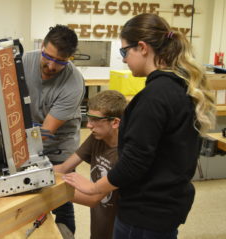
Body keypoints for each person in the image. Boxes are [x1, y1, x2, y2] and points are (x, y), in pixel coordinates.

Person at [63, 13, 216, 239]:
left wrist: (94, 187)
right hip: (165, 208)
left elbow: (134, 162)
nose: (124, 59)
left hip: (145, 213)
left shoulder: (154, 96)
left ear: (142, 48)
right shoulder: (177, 87)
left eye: (125, 51)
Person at [22, 24, 85, 234]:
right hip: (29, 134)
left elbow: (46, 133)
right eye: (47, 56)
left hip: (58, 145)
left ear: (69, 58)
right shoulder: (24, 61)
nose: (50, 65)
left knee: (61, 200)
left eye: (59, 62)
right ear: (42, 46)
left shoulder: (73, 83)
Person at [54, 90, 127, 239]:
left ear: (115, 122)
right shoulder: (97, 138)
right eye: (88, 118)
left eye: (95, 120)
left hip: (118, 230)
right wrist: (35, 175)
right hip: (99, 225)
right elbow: (63, 168)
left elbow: (93, 199)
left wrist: (47, 194)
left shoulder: (125, 155)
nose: (88, 125)